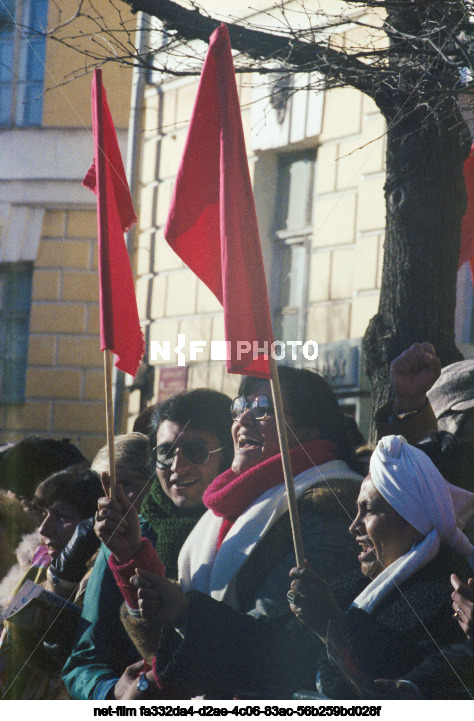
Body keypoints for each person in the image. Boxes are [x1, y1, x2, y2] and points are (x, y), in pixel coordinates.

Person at [100, 367, 363, 699]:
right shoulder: (230, 507)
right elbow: (170, 643)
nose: (243, 421)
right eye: (239, 408)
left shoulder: (330, 506)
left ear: (309, 432)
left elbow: (277, 647)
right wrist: (131, 556)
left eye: (262, 409)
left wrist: (182, 615)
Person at [62, 389, 234, 700]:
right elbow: (84, 660)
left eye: (196, 450)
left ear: (228, 453)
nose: (176, 466)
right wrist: (111, 691)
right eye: (165, 452)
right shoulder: (128, 534)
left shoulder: (246, 528)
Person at [287, 435, 473, 699]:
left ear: (412, 517)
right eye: (356, 511)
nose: (354, 526)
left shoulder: (447, 597)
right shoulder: (352, 585)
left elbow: (372, 695)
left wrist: (331, 627)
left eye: (370, 510)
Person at [0, 463, 102, 700]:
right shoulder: (35, 564)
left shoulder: (99, 580)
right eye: (45, 514)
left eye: (63, 517)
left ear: (92, 522)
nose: (45, 529)